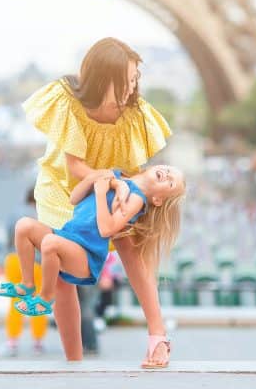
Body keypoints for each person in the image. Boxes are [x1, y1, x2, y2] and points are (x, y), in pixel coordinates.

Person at [21, 37, 173, 367]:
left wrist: (126, 192)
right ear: (104, 77)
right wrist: (113, 182)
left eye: (135, 79)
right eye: (127, 79)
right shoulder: (69, 103)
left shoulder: (136, 114)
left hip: (114, 188)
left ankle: (158, 337)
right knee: (61, 271)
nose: (133, 87)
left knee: (133, 249)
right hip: (65, 190)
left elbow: (134, 168)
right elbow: (74, 166)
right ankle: (74, 362)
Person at [0, 166, 184, 319]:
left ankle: (46, 298)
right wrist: (94, 180)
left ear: (158, 199)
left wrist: (101, 193)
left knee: (50, 243)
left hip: (86, 253)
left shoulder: (136, 199)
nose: (168, 174)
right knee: (24, 225)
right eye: (168, 169)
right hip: (67, 236)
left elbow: (106, 229)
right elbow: (74, 198)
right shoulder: (114, 175)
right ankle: (27, 284)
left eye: (171, 181)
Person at [0, 186, 48, 357]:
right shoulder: (43, 214)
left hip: (14, 259)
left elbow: (7, 237)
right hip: (37, 262)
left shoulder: (14, 213)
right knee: (38, 300)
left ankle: (12, 342)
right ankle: (38, 343)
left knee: (14, 302)